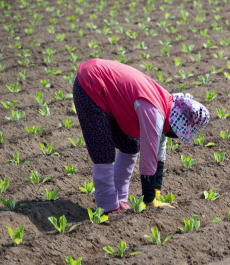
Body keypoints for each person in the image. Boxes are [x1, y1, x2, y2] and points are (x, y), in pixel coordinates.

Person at [73, 58, 210, 213]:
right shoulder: (154, 112)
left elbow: (160, 149)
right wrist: (150, 199)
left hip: (105, 87)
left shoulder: (167, 106)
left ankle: (120, 197)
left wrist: (156, 192)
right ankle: (107, 206)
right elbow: (149, 156)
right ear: (175, 123)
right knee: (103, 151)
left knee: (130, 144)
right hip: (91, 83)